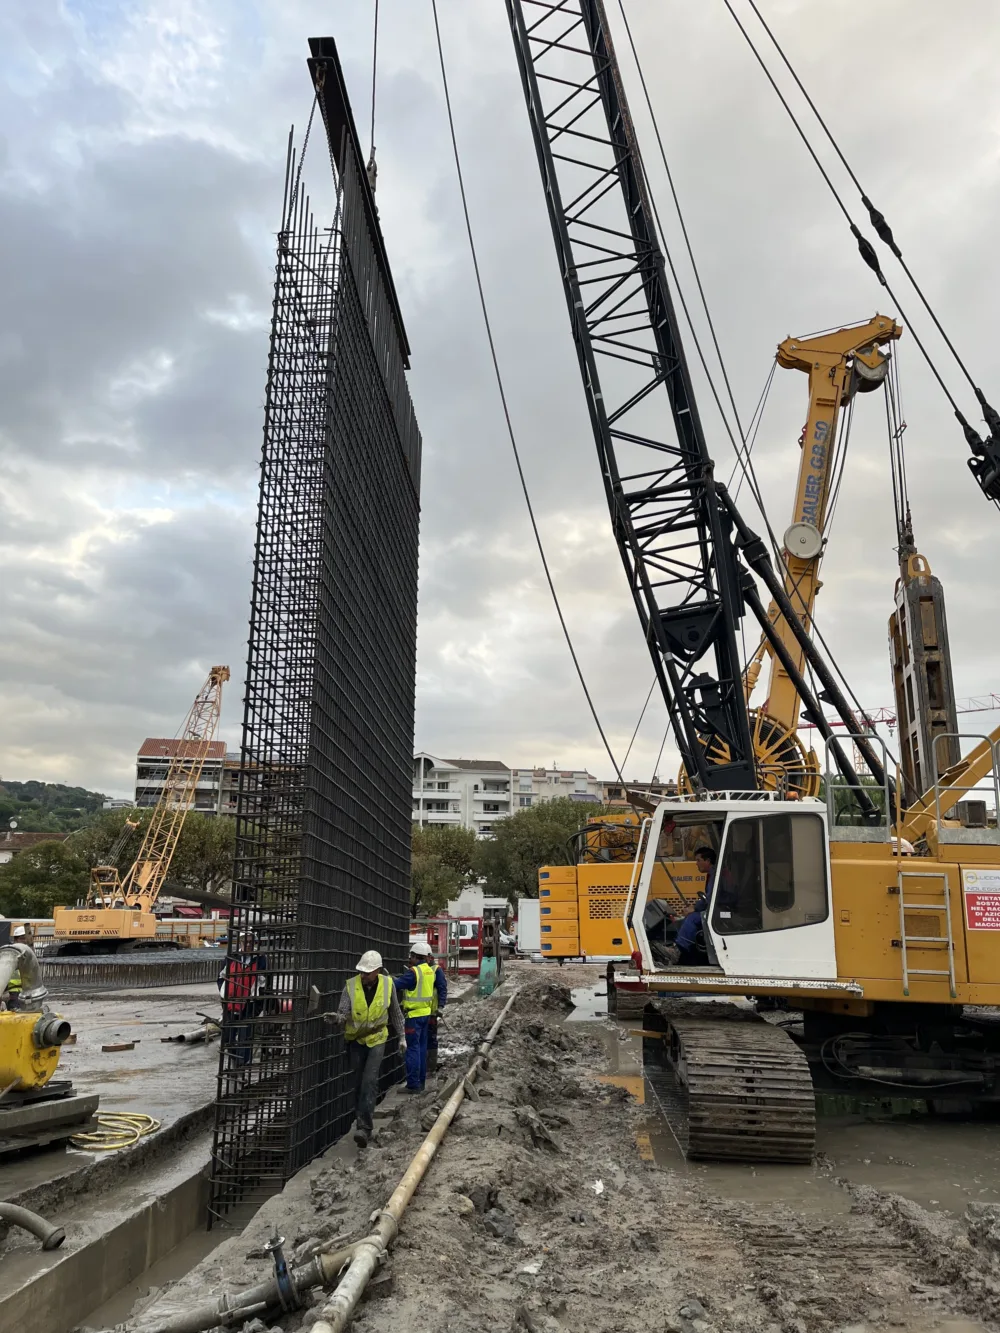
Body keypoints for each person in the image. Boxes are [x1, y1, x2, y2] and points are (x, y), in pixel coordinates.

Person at [328, 949, 405, 1149]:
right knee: (358, 1082)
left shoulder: (388, 985)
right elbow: (343, 1013)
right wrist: (337, 1019)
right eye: (361, 972)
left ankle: (365, 1127)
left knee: (370, 1081)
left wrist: (402, 1037)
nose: (363, 976)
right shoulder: (351, 987)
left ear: (378, 970)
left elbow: (395, 1012)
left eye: (367, 972)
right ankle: (360, 1117)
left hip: (378, 1038)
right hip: (356, 1040)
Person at [395, 940, 446, 1092]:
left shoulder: (414, 973)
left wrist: (387, 980)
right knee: (422, 1049)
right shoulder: (430, 971)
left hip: (414, 1017)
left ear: (416, 956)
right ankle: (421, 1083)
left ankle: (413, 1085)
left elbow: (397, 984)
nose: (409, 960)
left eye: (411, 956)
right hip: (425, 1015)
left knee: (412, 1049)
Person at [218, 933, 268, 1068]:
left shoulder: (260, 960)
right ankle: (235, 1059)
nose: (248, 944)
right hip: (231, 1004)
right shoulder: (231, 958)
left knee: (245, 1038)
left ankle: (242, 1066)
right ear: (239, 942)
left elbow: (264, 984)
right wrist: (224, 997)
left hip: (248, 1005)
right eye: (245, 941)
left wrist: (257, 1006)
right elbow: (221, 979)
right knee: (228, 1037)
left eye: (251, 942)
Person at [674, 846, 718, 965]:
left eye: (698, 860)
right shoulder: (713, 874)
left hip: (720, 911)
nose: (696, 863)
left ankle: (678, 950)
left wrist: (693, 908)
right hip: (718, 909)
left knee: (692, 918)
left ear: (707, 861)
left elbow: (709, 899)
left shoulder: (715, 876)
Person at [425, 947, 449, 1075]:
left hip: (431, 1013)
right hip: (420, 1012)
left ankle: (431, 1067)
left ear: (430, 957)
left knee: (431, 1039)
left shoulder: (436, 970)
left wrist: (440, 1006)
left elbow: (442, 988)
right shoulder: (418, 970)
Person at [3, 925, 27, 1009]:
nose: (24, 941)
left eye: (25, 938)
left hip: (26, 992)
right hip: (13, 993)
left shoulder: (27, 954)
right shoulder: (10, 954)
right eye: (22, 938)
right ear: (16, 939)